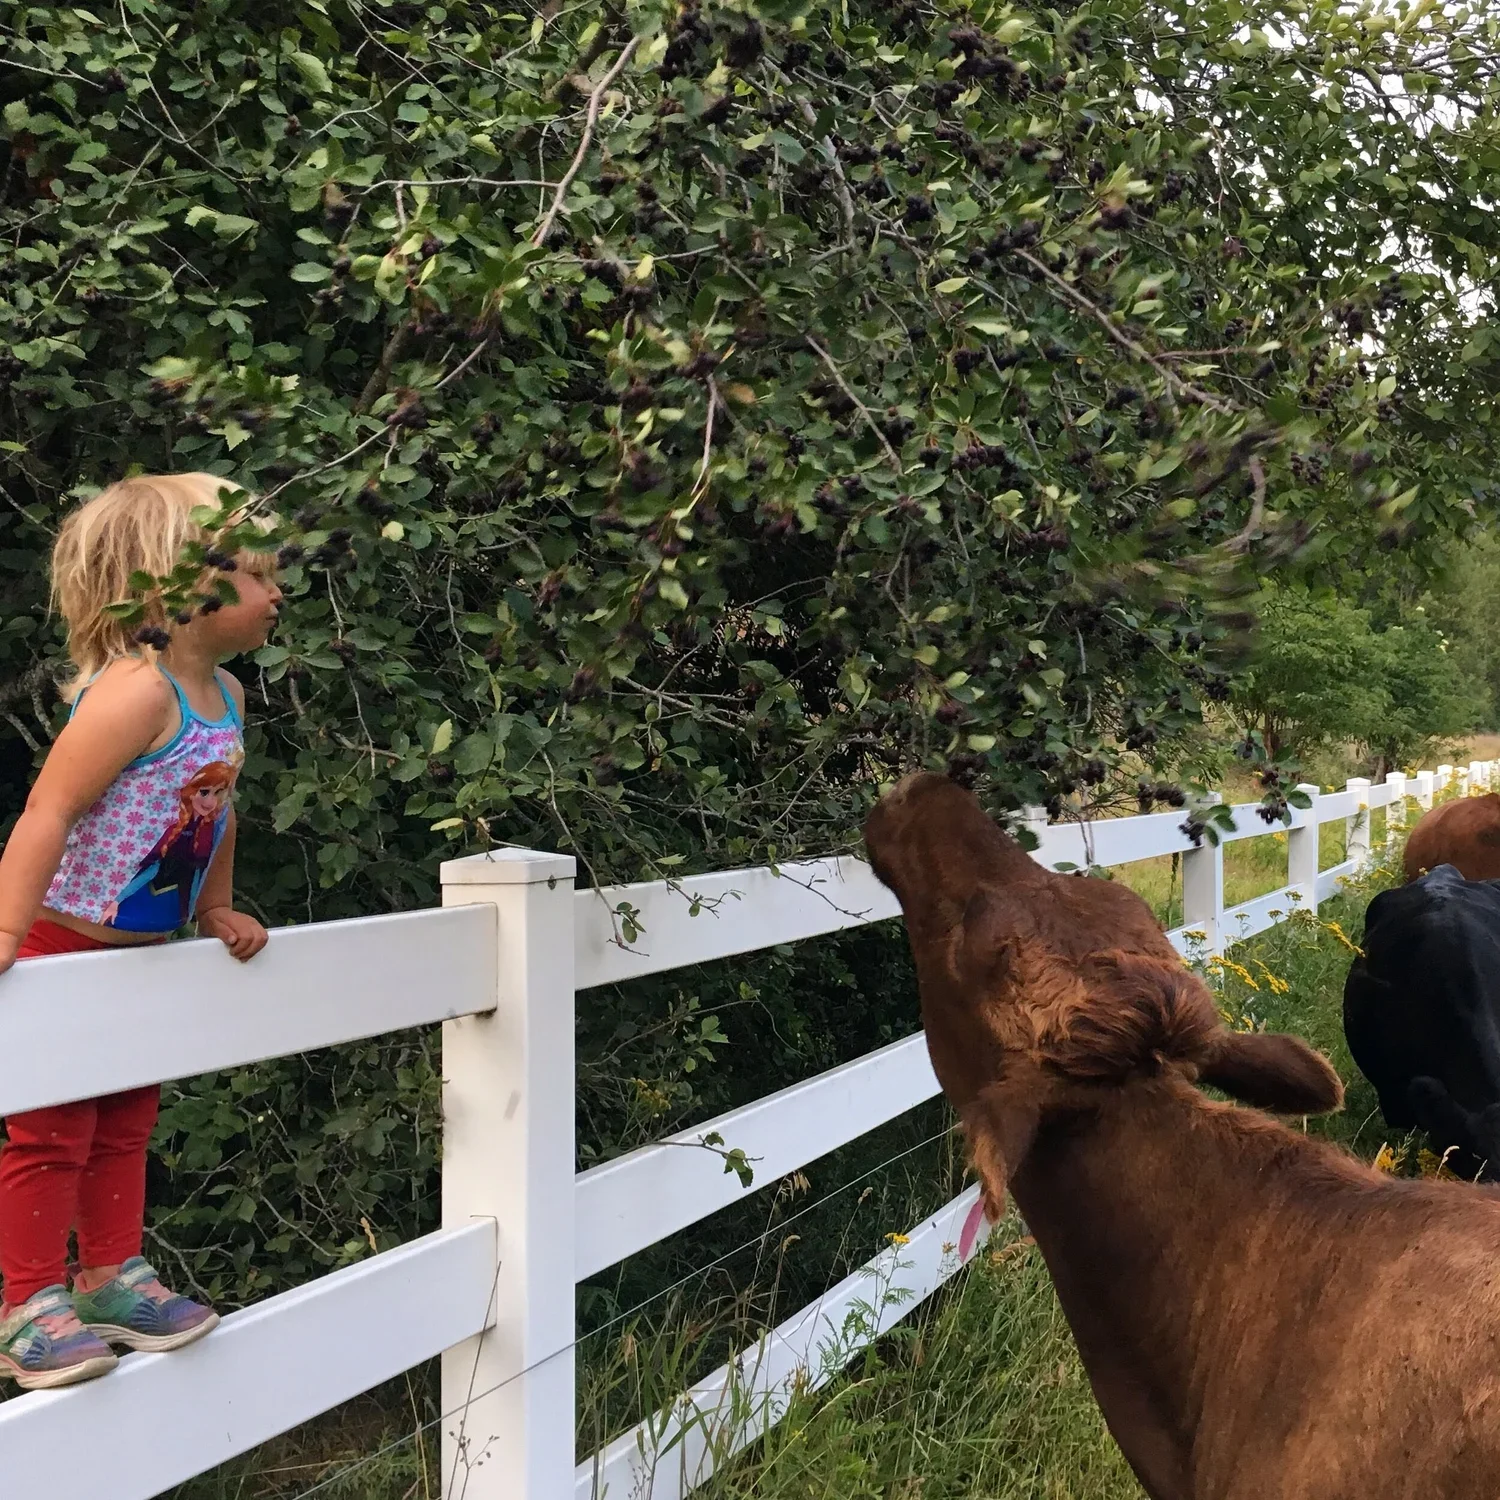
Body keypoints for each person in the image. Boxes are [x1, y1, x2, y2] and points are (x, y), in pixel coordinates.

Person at [0, 472, 280, 1390]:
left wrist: (214, 907)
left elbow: (218, 811)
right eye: (253, 575)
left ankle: (109, 1278)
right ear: (177, 591)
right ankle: (27, 1305)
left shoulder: (225, 696)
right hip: (61, 947)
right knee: (51, 1130)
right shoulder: (135, 694)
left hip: (142, 955)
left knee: (126, 1122)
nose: (276, 593)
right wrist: (7, 928)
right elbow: (48, 809)